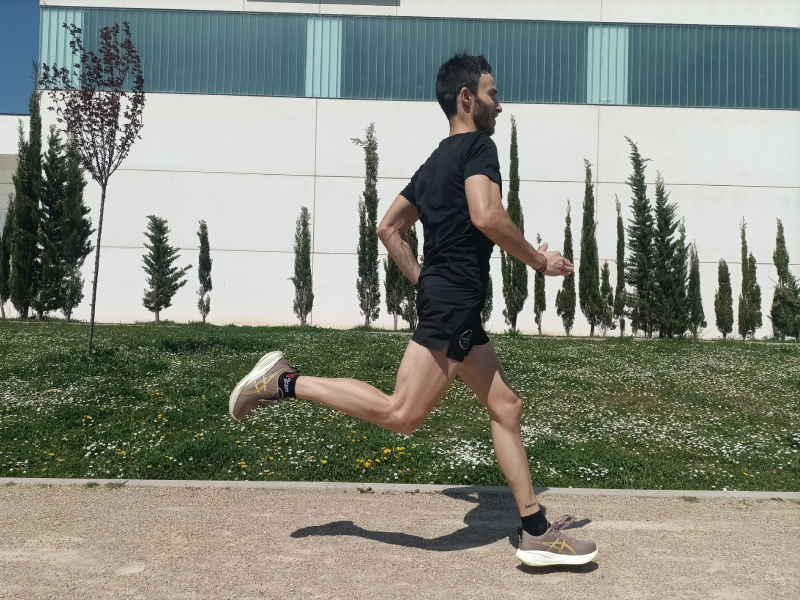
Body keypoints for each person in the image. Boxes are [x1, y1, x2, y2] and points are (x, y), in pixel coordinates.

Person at [229, 53, 597, 567]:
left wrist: (425, 279)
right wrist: (539, 261)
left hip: (454, 303)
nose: (499, 104)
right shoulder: (479, 147)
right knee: (402, 413)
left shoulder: (433, 164)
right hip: (454, 303)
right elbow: (487, 215)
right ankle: (283, 382)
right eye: (492, 94)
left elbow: (388, 228)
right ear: (466, 98)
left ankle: (535, 531)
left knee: (506, 407)